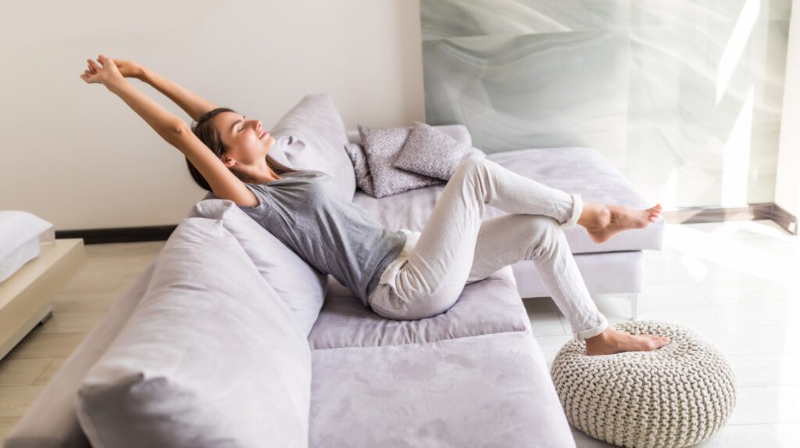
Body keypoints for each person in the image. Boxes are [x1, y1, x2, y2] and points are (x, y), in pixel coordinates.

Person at [80, 54, 669, 355]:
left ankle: (592, 332)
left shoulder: (278, 164)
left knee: (540, 232)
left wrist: (146, 69)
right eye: (240, 127)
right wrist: (119, 86)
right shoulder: (254, 196)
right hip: (402, 289)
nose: (255, 120)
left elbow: (207, 119)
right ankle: (593, 214)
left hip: (415, 257)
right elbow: (188, 135)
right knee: (473, 172)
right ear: (226, 163)